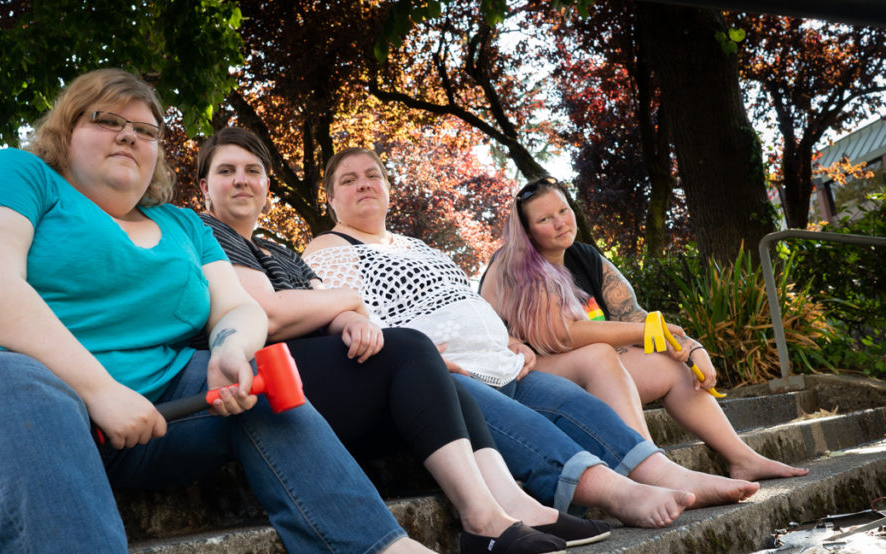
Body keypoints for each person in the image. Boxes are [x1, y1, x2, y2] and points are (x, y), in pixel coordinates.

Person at [0, 70, 490, 554]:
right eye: (106, 121)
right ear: (63, 133)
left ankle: (369, 549)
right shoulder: (17, 174)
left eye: (144, 130)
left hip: (141, 417)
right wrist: (99, 392)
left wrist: (230, 348)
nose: (127, 136)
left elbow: (240, 308)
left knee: (256, 376)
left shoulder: (184, 226)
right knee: (16, 380)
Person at [192, 127, 610, 554]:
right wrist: (350, 301)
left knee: (420, 357)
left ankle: (515, 503)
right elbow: (268, 314)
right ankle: (481, 522)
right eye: (227, 171)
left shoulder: (278, 251)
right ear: (205, 187)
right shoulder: (207, 233)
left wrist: (351, 318)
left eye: (252, 171)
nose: (241, 179)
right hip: (273, 380)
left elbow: (327, 306)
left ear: (265, 186)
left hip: (324, 370)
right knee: (410, 348)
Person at [304, 147, 760, 528]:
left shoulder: (417, 246)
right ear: (330, 200)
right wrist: (412, 360)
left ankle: (660, 470)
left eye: (373, 175)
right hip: (440, 376)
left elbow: (470, 304)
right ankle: (613, 492)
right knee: (536, 420)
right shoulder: (331, 246)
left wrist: (511, 340)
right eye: (348, 180)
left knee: (572, 402)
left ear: (388, 188)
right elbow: (341, 314)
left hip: (502, 361)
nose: (363, 184)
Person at [480, 177, 808, 482]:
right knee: (599, 354)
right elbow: (563, 335)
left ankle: (741, 459)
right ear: (527, 232)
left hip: (585, 369)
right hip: (528, 376)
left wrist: (689, 346)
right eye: (544, 219)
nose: (560, 222)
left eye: (563, 210)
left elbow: (634, 315)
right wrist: (646, 333)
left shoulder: (584, 257)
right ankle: (653, 472)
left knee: (675, 367)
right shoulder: (514, 264)